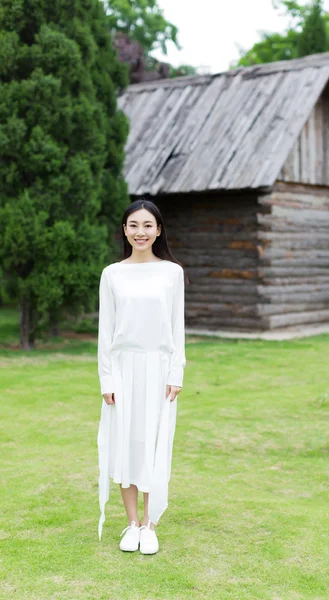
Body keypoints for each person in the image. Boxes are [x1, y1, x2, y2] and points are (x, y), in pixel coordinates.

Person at [96, 198, 186, 555]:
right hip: (123, 368)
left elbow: (177, 329)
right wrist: (108, 380)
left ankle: (150, 525)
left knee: (153, 445)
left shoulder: (172, 273)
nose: (140, 232)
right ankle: (131, 524)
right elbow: (106, 333)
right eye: (133, 225)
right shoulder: (112, 274)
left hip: (159, 370)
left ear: (159, 230)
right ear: (124, 230)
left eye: (148, 225)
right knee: (125, 446)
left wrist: (176, 373)